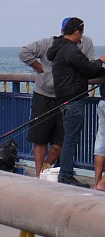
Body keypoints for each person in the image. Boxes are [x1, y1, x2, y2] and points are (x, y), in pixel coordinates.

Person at [19, 18, 96, 176]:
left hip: (67, 96)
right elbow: (24, 52)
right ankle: (39, 174)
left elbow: (88, 65)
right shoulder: (48, 43)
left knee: (60, 141)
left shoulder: (86, 43)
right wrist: (40, 68)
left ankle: (47, 168)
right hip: (44, 94)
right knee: (39, 138)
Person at [47, 17, 105, 187]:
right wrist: (100, 61)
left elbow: (82, 71)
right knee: (71, 139)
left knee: (69, 138)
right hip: (73, 100)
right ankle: (65, 175)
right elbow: (87, 68)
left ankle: (66, 173)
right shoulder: (70, 49)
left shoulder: (59, 48)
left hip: (64, 99)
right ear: (78, 32)